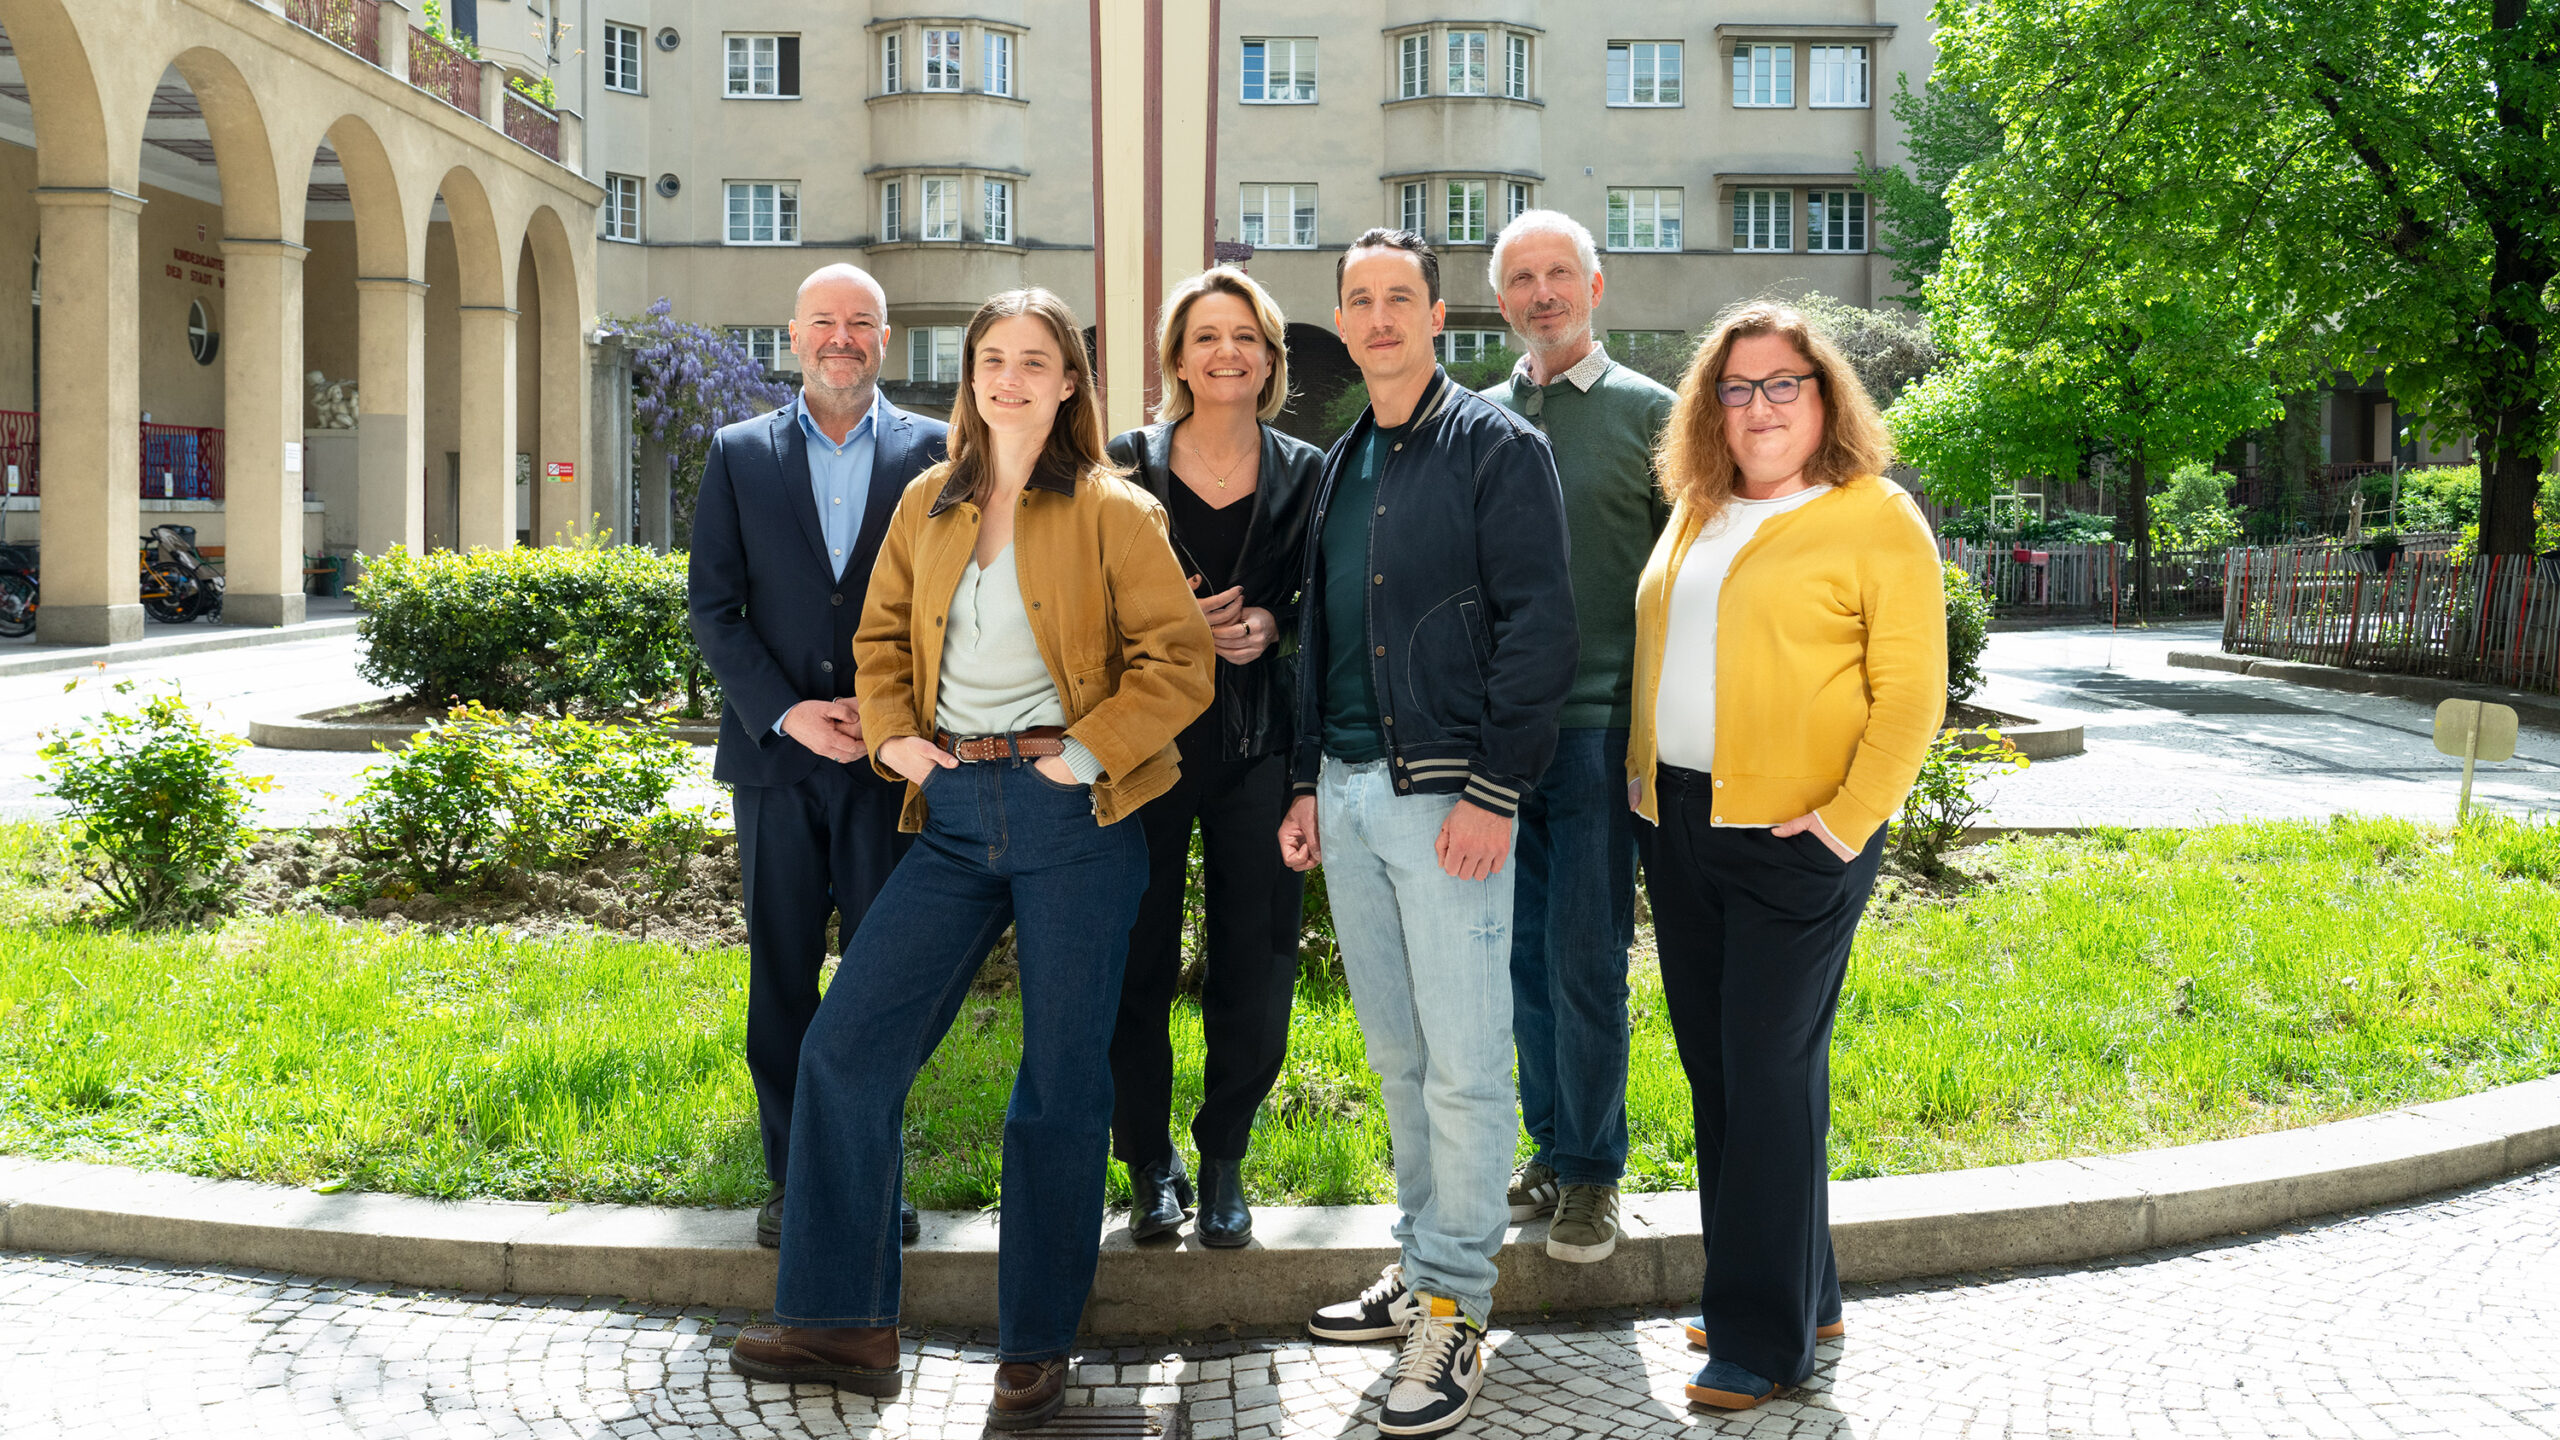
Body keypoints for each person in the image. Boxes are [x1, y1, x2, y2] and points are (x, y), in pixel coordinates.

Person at [728, 288, 1214, 1433]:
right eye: (992, 359)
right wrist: (897, 738)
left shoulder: (1112, 509)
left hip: (1073, 817)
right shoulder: (926, 501)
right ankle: (845, 1320)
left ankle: (1035, 1343)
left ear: (1068, 382)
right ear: (970, 377)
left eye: (1033, 361)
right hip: (947, 812)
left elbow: (1178, 660)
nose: (1008, 378)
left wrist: (1080, 755)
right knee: (847, 1049)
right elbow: (882, 636)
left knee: (1056, 1085)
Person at [1278, 228, 1578, 1439]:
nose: (1381, 317)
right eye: (1361, 300)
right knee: (1400, 1062)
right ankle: (1422, 1263)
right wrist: (1304, 780)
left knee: (1463, 1067)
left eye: (1401, 296)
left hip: (1449, 797)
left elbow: (1541, 625)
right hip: (1348, 794)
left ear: (1438, 316)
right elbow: (1323, 641)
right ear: (1343, 324)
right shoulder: (1339, 459)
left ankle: (1457, 1306)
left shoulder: (1496, 446)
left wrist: (1496, 788)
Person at [1627, 301, 1946, 1411]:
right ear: (1707, 406)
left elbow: (1911, 692)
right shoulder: (1696, 509)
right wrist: (1639, 781)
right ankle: (1796, 1292)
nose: (1758, 407)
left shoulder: (1872, 515)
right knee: (1731, 1073)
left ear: (1824, 400)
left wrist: (1847, 821)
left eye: (1782, 385)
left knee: (1761, 1077)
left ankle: (1760, 1344)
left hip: (1795, 836)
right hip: (1677, 826)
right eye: (1735, 387)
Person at [686, 263, 948, 1251]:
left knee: (884, 982)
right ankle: (796, 1179)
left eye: (861, 323)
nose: (842, 338)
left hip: (892, 766)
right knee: (784, 976)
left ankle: (873, 1174)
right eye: (824, 323)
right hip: (778, 766)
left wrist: (892, 719)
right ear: (793, 338)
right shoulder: (737, 454)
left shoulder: (935, 454)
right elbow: (714, 608)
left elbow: (949, 603)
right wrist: (788, 714)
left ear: (884, 338)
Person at [1104, 267, 1323, 1248]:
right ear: (1176, 358)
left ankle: (1225, 1151)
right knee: (1132, 959)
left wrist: (1275, 620)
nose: (1225, 352)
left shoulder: (1310, 473)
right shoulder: (1125, 464)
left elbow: (1335, 601)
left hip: (1260, 747)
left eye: (1245, 337)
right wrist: (1173, 625)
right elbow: (1077, 603)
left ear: (1270, 358)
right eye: (1205, 337)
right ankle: (1148, 1161)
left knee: (1257, 956)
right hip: (1142, 747)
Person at [1478, 211, 1674, 1265]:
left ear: (1596, 289)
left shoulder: (1656, 417)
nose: (1541, 292)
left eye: (1560, 274)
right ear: (1499, 299)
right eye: (1521, 277)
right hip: (1499, 743)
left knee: (1585, 958)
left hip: (1603, 734)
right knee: (1517, 957)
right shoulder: (1473, 416)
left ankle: (1595, 1172)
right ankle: (1552, 1149)